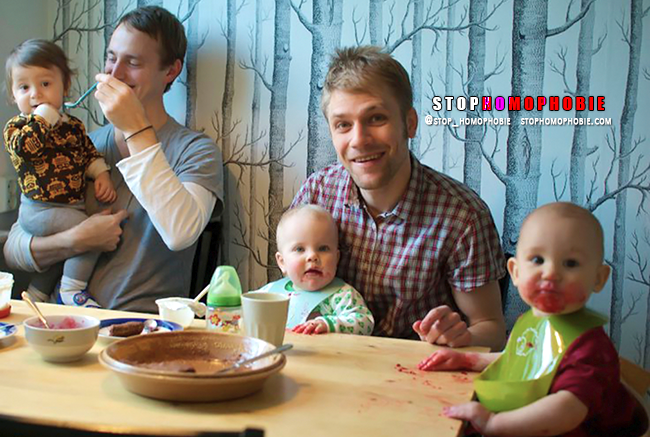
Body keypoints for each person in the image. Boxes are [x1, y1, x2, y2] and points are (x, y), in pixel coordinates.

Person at [3, 6, 223, 312]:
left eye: (132, 62)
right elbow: (14, 249)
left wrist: (135, 129)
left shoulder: (196, 151)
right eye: (111, 58)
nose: (114, 74)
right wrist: (77, 240)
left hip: (139, 327)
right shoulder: (83, 145)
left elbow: (180, 233)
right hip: (60, 318)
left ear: (171, 71)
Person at [291, 46, 505, 350]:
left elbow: (491, 329)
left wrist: (462, 336)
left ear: (410, 123)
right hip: (325, 364)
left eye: (376, 118)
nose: (359, 140)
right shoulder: (316, 194)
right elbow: (291, 290)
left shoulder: (463, 216)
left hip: (417, 370)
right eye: (343, 125)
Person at [418, 202, 637, 436]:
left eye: (570, 263)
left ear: (598, 279)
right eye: (537, 260)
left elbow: (567, 410)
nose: (550, 273)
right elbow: (517, 359)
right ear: (515, 272)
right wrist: (467, 360)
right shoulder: (531, 321)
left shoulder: (589, 348)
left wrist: (493, 423)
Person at [4, 39, 117, 307]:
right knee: (90, 235)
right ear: (13, 95)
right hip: (39, 210)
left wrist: (101, 174)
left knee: (61, 255)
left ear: (65, 87)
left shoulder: (74, 126)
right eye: (24, 87)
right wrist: (43, 119)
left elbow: (87, 153)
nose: (35, 94)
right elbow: (26, 149)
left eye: (45, 83)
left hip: (70, 205)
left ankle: (36, 295)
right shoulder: (16, 128)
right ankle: (72, 289)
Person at [256, 205, 374, 335]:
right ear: (282, 262)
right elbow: (245, 310)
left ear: (336, 258)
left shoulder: (342, 295)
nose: (312, 256)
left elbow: (365, 323)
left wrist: (328, 324)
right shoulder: (269, 292)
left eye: (323, 248)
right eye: (300, 249)